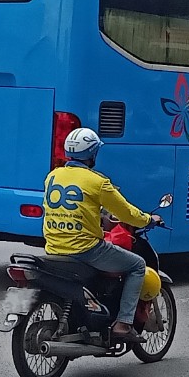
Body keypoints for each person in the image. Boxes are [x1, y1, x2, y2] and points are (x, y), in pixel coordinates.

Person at [42, 127, 161, 343]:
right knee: (137, 266)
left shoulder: (53, 176)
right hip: (85, 250)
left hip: (53, 247)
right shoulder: (97, 182)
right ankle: (123, 323)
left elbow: (75, 207)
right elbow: (126, 212)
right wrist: (147, 219)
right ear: (92, 154)